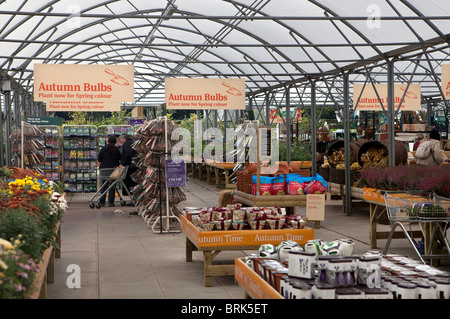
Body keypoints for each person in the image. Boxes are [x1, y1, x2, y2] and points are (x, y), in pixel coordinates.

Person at [98, 135, 121, 207]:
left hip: (104, 169)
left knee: (104, 186)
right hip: (113, 169)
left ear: (107, 141)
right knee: (112, 186)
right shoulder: (117, 150)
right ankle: (111, 202)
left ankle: (102, 202)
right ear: (115, 142)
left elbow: (99, 159)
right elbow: (119, 158)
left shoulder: (103, 149)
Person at [118, 134, 138, 200]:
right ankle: (134, 198)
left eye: (120, 139)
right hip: (134, 165)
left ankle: (131, 197)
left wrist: (123, 164)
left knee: (129, 182)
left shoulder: (126, 144)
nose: (120, 141)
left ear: (124, 139)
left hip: (130, 166)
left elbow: (127, 154)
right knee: (133, 182)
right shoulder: (132, 143)